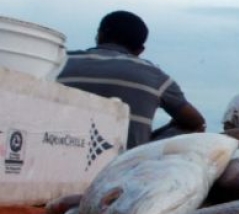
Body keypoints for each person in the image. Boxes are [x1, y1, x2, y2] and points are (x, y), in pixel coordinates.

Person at [56, 10, 206, 149]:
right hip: (121, 169)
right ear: (140, 50)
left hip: (54, 153)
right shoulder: (155, 77)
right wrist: (149, 140)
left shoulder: (58, 61)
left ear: (99, 35)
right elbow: (196, 123)